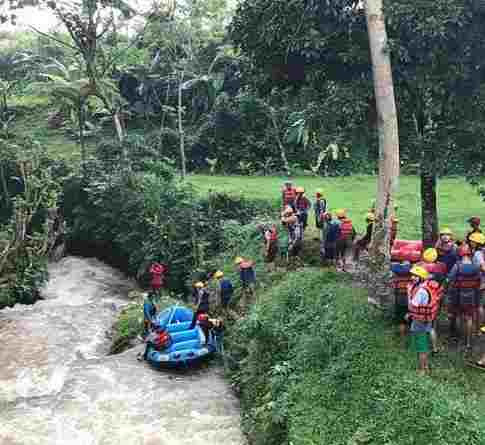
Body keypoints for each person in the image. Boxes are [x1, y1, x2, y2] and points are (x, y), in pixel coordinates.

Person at [406, 265, 443, 375]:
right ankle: (425, 366)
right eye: (412, 275)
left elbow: (412, 305)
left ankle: (422, 370)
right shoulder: (427, 286)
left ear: (421, 278)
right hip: (427, 320)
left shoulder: (421, 291)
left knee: (421, 346)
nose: (412, 278)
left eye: (416, 276)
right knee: (424, 344)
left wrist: (408, 292)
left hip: (420, 322)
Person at [447, 244, 481, 349]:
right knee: (469, 318)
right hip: (471, 296)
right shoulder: (476, 266)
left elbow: (450, 279)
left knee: (457, 315)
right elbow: (479, 281)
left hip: (458, 295)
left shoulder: (457, 265)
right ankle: (468, 343)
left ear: (460, 253)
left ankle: (459, 336)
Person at [470, 232, 485, 331]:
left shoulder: (478, 254)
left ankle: (479, 327)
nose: (470, 242)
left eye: (472, 241)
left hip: (481, 282)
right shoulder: (483, 251)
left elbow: (483, 267)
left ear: (476, 243)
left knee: (479, 306)